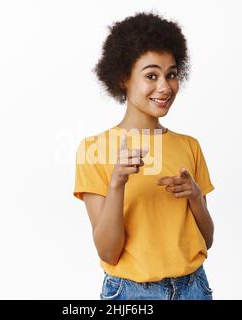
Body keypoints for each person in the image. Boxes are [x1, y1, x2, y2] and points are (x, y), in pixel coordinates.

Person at [73, 11, 215, 300]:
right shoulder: (94, 149)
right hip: (131, 294)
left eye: (171, 74)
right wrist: (116, 184)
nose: (165, 87)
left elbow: (208, 239)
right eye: (151, 75)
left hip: (194, 289)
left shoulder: (190, 146)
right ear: (123, 78)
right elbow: (108, 252)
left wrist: (195, 197)